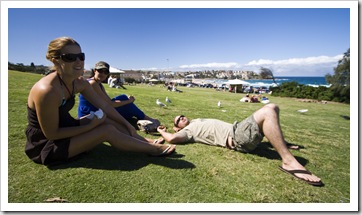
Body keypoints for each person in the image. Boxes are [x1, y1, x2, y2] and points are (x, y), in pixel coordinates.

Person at [25, 36, 175, 166]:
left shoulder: (79, 82)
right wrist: (93, 125)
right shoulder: (47, 90)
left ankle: (144, 141)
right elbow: (52, 134)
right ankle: (153, 150)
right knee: (106, 130)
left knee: (108, 120)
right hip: (47, 144)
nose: (78, 61)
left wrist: (126, 125)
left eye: (81, 56)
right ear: (55, 60)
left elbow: (105, 106)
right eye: (70, 57)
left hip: (66, 128)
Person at [157, 103, 323, 186]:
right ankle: (288, 161)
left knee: (273, 109)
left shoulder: (196, 121)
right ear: (177, 126)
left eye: (181, 116)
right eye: (178, 120)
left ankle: (281, 144)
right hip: (237, 138)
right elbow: (171, 139)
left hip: (239, 130)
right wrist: (161, 131)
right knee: (269, 109)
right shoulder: (188, 131)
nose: (181, 118)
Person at [78, 61, 159, 124]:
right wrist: (129, 101)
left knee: (123, 97)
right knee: (128, 105)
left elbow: (108, 101)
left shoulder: (98, 83)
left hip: (95, 110)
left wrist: (125, 101)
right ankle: (146, 118)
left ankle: (141, 116)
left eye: (105, 72)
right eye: (100, 71)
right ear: (95, 71)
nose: (103, 74)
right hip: (90, 114)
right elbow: (110, 104)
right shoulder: (93, 83)